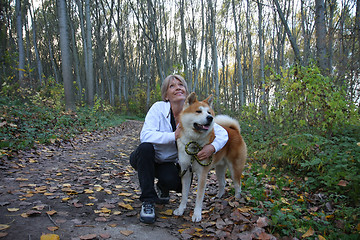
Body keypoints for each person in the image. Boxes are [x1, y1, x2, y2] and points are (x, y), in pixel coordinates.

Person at [129, 74, 229, 224]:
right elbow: (145, 135)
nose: (177, 88)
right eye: (172, 86)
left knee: (177, 183)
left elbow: (222, 133)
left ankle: (163, 186)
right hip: (147, 158)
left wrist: (212, 147)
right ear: (166, 95)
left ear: (186, 91)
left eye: (181, 84)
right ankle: (148, 200)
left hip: (168, 163)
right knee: (145, 148)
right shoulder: (158, 108)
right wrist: (173, 135)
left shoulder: (193, 112)